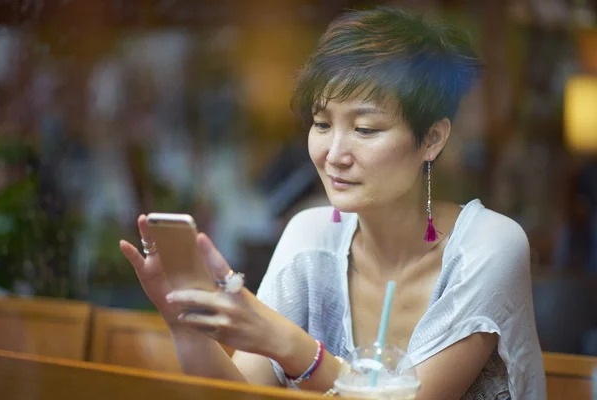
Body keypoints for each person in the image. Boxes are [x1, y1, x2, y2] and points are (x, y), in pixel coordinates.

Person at [120, 7, 546, 399]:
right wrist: (185, 320)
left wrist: (290, 345)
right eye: (322, 124)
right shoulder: (311, 236)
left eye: (364, 128)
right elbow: (238, 394)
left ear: (432, 138)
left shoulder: (489, 246)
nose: (333, 153)